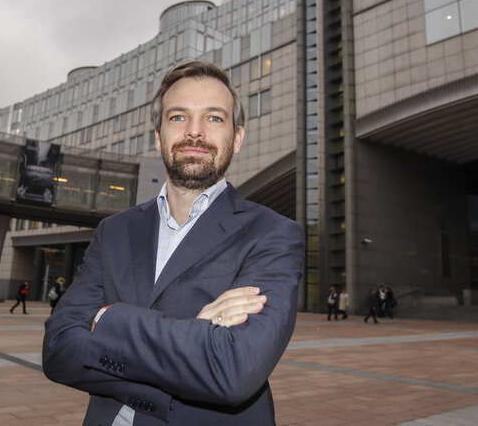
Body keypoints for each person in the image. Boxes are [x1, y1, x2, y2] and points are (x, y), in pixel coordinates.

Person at [42, 61, 304, 425]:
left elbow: (233, 370)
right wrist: (194, 337)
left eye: (214, 118)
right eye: (178, 117)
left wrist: (106, 319)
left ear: (237, 137)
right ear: (158, 135)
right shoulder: (114, 231)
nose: (194, 132)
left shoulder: (273, 234)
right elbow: (58, 350)